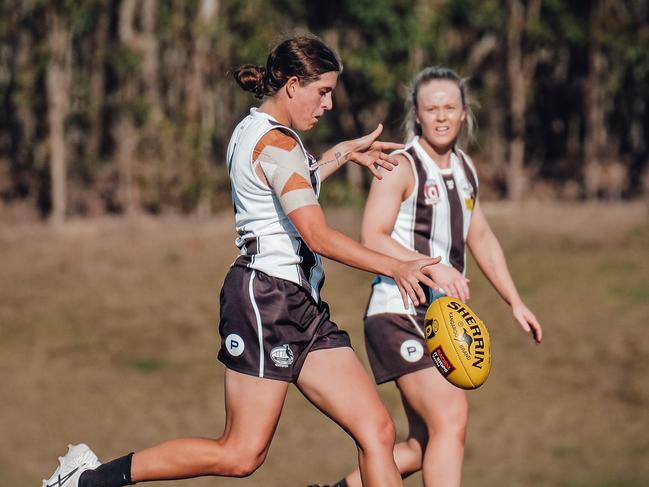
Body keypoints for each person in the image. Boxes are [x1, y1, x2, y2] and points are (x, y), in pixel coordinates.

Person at [42, 35, 442, 487]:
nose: (328, 104)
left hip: (301, 305)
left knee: (377, 431)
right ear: (293, 85)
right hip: (265, 300)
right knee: (240, 454)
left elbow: (291, 184)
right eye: (323, 91)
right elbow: (315, 233)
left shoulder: (256, 130)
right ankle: (87, 480)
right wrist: (395, 266)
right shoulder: (278, 144)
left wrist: (344, 153)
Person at [313, 66, 543, 487]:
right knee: (451, 415)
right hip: (396, 313)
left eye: (449, 107)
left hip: (440, 317)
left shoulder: (466, 170)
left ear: (463, 112)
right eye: (431, 108)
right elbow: (372, 236)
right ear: (416, 114)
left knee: (421, 446)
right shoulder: (402, 165)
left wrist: (515, 300)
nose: (440, 116)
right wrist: (434, 266)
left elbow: (483, 236)